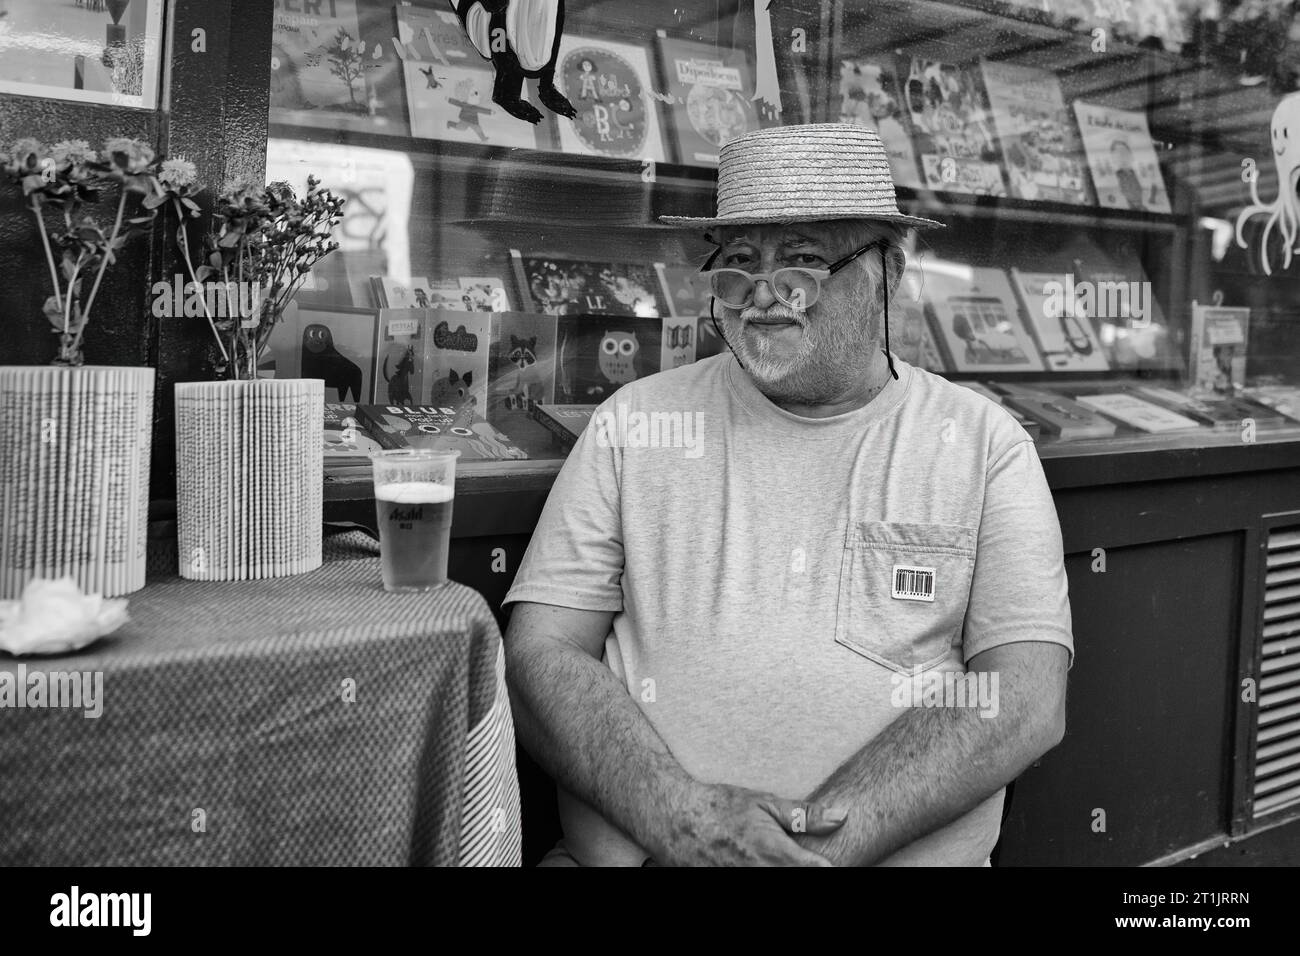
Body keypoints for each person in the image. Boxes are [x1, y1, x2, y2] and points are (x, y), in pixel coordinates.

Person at [502, 123, 1073, 866]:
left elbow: (1023, 699)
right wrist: (680, 818)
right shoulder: (636, 425)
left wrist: (804, 849)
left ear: (888, 274)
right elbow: (541, 654)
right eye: (739, 262)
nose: (765, 295)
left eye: (805, 259)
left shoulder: (983, 447)